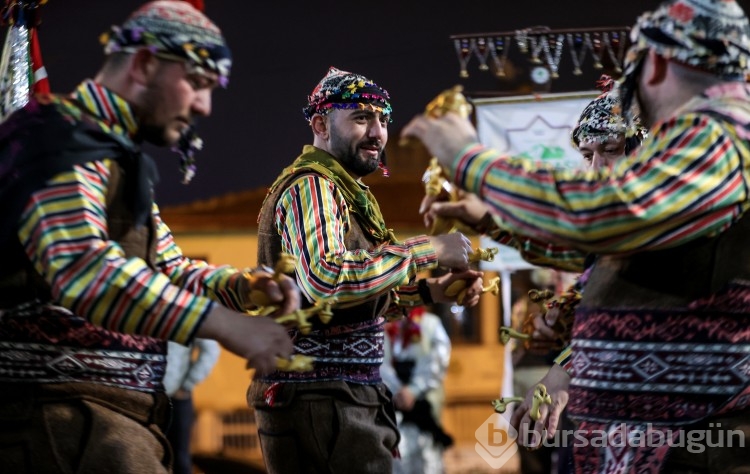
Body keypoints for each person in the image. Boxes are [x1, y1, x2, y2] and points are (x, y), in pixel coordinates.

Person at [402, 0, 750, 472]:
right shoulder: (710, 140)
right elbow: (612, 244)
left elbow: (610, 214)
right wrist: (492, 220)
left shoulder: (722, 136)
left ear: (658, 63)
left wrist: (470, 159)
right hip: (656, 442)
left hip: (693, 443)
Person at [0, 2, 299, 472]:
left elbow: (165, 271)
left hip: (104, 427)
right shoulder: (54, 138)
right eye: (198, 83)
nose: (204, 106)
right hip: (56, 428)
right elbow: (84, 269)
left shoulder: (111, 154)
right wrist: (223, 323)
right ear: (142, 64)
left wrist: (242, 289)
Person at [248, 66, 485, 474]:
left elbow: (352, 299)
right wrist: (428, 250)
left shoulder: (342, 190)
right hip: (320, 400)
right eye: (361, 117)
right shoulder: (312, 186)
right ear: (320, 124)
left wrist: (431, 293)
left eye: (383, 119)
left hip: (341, 398)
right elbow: (328, 279)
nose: (378, 132)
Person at [381, 306, 453, 474]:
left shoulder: (430, 323)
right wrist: (398, 391)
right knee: (398, 456)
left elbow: (438, 359)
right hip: (394, 403)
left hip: (424, 403)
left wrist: (414, 390)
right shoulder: (385, 326)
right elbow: (381, 364)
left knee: (428, 458)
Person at [164, 338, 221, 474]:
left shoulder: (186, 317)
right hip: (146, 397)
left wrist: (186, 385)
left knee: (179, 458)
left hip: (176, 398)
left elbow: (211, 349)